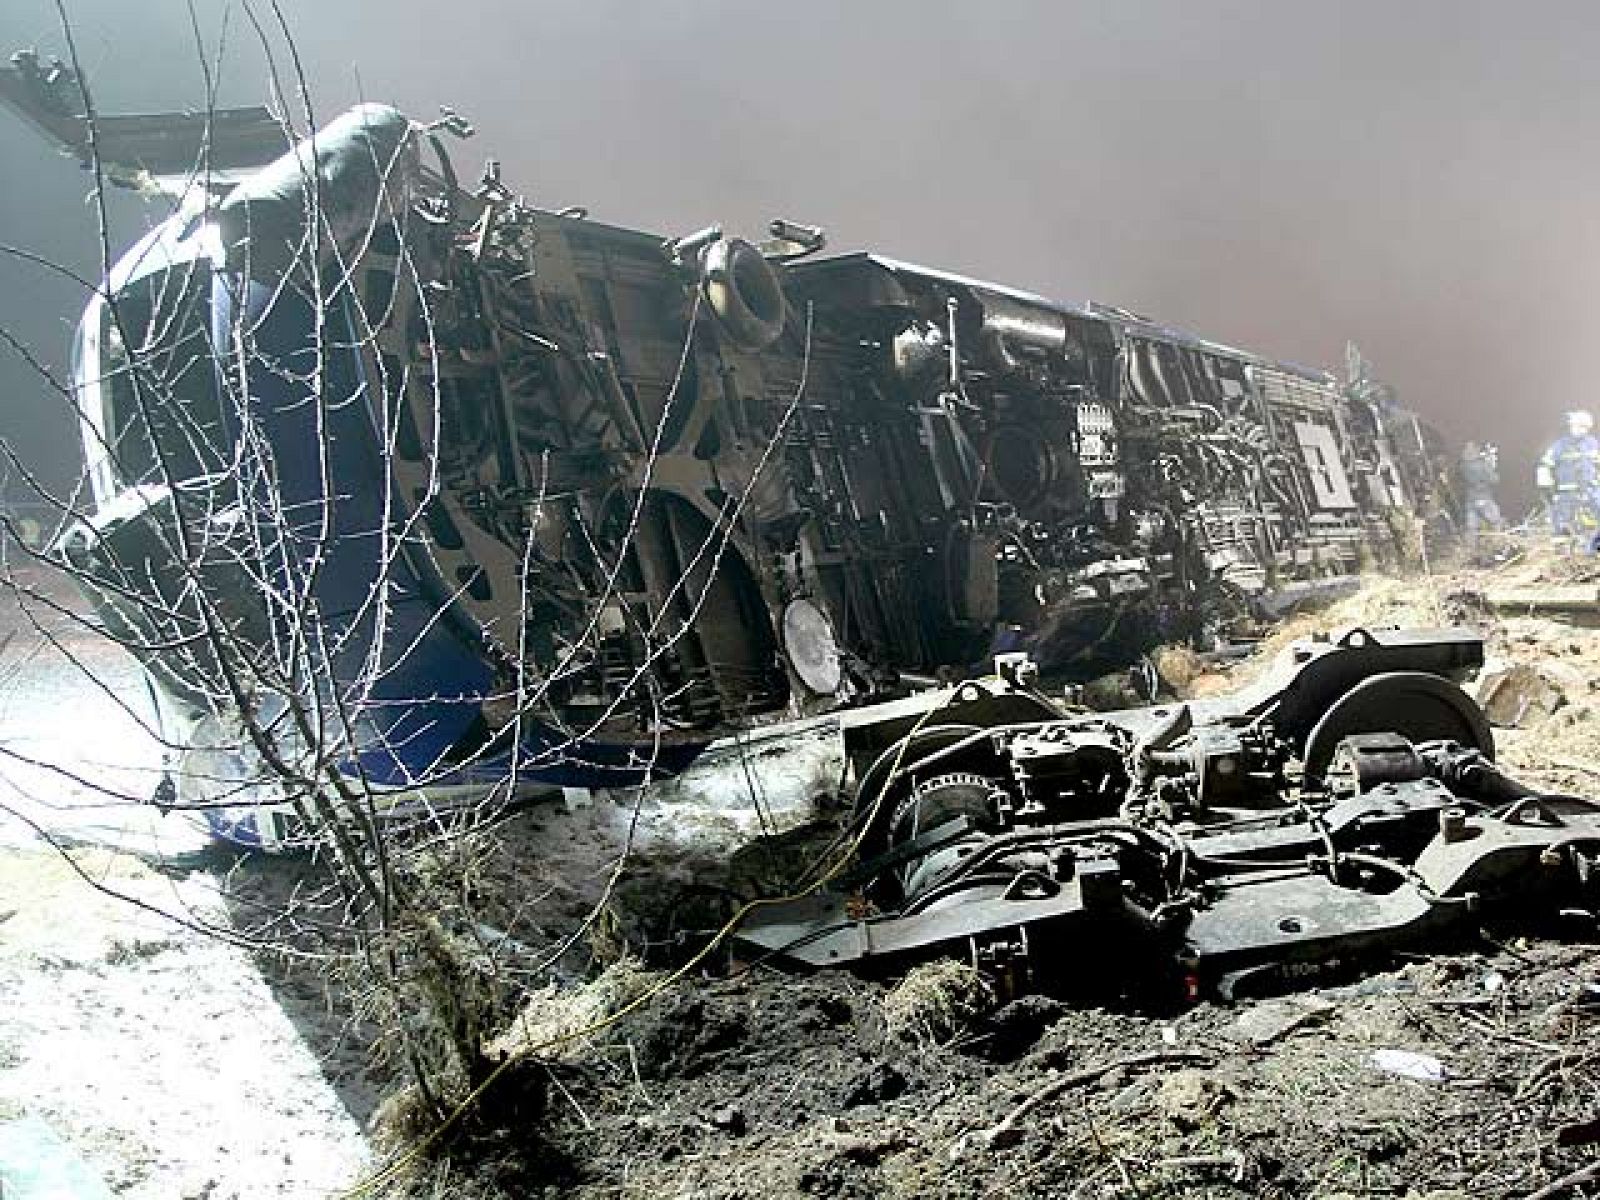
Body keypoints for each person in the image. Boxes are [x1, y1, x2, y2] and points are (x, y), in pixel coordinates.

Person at [1537, 410, 1600, 545]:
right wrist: (1545, 485)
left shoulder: (1593, 443)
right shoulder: (1561, 445)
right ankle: (1562, 554)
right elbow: (1545, 464)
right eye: (1577, 426)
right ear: (1571, 426)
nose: (1580, 430)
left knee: (1594, 519)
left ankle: (1592, 549)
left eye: (1583, 427)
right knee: (1562, 524)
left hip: (1591, 491)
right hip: (1567, 493)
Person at [1459, 441, 1504, 551]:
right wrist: (1491, 465)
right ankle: (1497, 546)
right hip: (1484, 498)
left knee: (1472, 528)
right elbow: (1494, 479)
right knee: (1495, 521)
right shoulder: (1482, 464)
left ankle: (1471, 550)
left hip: (1470, 500)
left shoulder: (1463, 466)